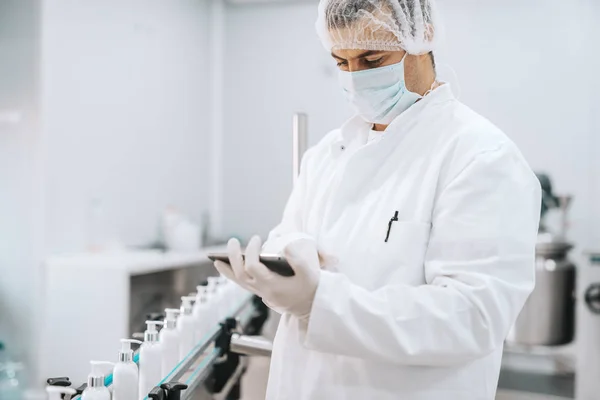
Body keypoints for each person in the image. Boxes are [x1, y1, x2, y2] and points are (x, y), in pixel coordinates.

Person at [214, 0, 541, 399]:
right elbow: (288, 234)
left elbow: (472, 316)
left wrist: (320, 303)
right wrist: (285, 261)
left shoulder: (480, 157)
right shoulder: (326, 155)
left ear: (423, 38)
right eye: (341, 62)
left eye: (372, 59)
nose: (355, 78)